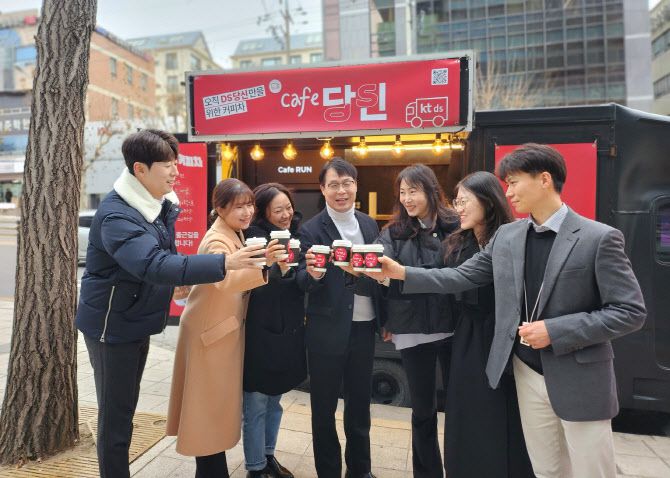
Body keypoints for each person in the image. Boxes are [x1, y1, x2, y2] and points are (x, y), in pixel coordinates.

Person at [380, 143, 646, 478]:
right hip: (525, 371)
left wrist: (556, 330)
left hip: (579, 377)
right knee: (546, 469)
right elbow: (460, 276)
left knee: (592, 471)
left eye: (514, 182)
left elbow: (629, 311)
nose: (508, 192)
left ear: (544, 180)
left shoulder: (599, 237)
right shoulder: (509, 235)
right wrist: (400, 273)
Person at [75, 130, 270, 478]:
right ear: (140, 169)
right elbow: (152, 264)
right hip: (111, 327)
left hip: (134, 318)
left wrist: (177, 283)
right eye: (167, 165)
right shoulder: (118, 215)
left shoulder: (154, 205)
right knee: (116, 418)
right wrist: (225, 262)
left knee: (125, 410)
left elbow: (160, 258)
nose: (176, 172)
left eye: (176, 164)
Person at [166, 178, 284, 478]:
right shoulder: (217, 240)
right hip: (210, 335)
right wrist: (266, 265)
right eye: (238, 206)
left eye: (250, 205)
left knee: (211, 410)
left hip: (217, 332)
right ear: (219, 209)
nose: (247, 212)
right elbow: (227, 280)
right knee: (206, 410)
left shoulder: (233, 232)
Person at [439, 172, 533, 477]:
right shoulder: (455, 244)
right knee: (467, 410)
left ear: (488, 201)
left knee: (506, 412)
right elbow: (439, 280)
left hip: (507, 336)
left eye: (464, 201)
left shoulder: (515, 239)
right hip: (468, 337)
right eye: (456, 202)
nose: (458, 209)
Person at [296, 158, 385, 478]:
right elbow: (301, 281)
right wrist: (315, 275)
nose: (341, 191)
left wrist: (385, 321)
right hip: (326, 329)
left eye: (347, 183)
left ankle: (360, 470)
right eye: (333, 185)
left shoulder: (369, 224)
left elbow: (379, 273)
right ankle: (329, 472)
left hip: (363, 327)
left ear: (356, 186)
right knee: (323, 409)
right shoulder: (310, 229)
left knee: (360, 405)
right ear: (323, 189)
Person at [372, 164, 458, 477]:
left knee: (459, 407)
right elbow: (380, 275)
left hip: (452, 326)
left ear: (431, 191)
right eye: (403, 192)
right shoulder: (393, 232)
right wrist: (384, 320)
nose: (407, 198)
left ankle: (460, 466)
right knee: (423, 410)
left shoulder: (455, 226)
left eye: (414, 191)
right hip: (411, 329)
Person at [242, 183, 307, 478]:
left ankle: (268, 456)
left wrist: (306, 274)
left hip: (287, 330)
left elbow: (299, 281)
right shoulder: (254, 240)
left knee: (275, 401)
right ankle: (255, 467)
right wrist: (278, 269)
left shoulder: (294, 237)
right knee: (256, 402)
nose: (286, 214)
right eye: (278, 210)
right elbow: (255, 286)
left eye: (288, 207)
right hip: (260, 332)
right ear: (263, 212)